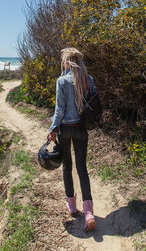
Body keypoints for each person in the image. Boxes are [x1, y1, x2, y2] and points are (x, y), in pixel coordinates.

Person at [48, 47, 96, 232]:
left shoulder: (62, 81)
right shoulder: (88, 80)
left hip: (65, 129)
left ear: (67, 61)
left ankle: (72, 206)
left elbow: (59, 109)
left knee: (67, 167)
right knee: (82, 168)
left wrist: (53, 129)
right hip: (82, 128)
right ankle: (89, 213)